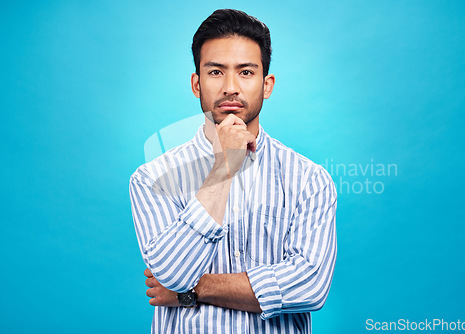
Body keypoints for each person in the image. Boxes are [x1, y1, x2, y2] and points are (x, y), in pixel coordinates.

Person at [129, 9, 337, 334]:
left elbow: (310, 286)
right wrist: (223, 167)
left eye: (246, 72)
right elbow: (171, 273)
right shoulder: (153, 178)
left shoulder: (310, 180)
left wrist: (192, 291)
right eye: (215, 72)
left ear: (266, 85)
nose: (230, 87)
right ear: (196, 83)